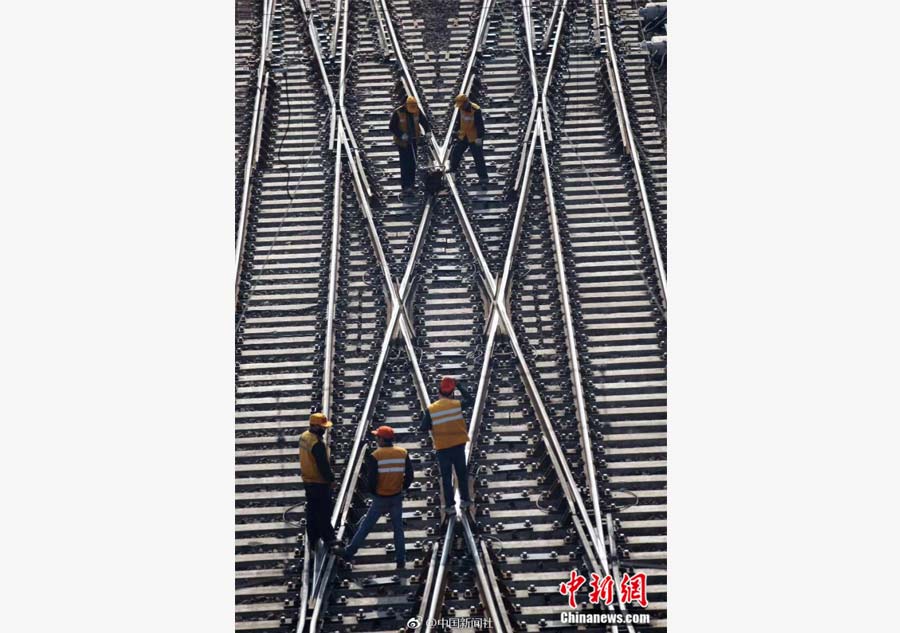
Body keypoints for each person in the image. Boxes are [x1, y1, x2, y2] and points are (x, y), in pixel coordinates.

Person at [339, 426, 414, 569]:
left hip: (381, 498)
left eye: (377, 437)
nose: (376, 439)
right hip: (396, 497)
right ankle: (401, 559)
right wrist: (402, 487)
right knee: (398, 529)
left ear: (382, 439)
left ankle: (349, 553)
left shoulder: (376, 456)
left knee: (366, 526)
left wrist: (374, 493)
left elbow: (372, 480)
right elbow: (410, 476)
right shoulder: (402, 453)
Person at [421, 376, 473, 513]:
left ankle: (449, 505)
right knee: (461, 474)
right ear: (452, 393)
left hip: (443, 448)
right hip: (458, 445)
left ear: (439, 392)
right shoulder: (456, 405)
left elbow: (423, 427)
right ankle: (465, 499)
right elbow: (470, 400)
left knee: (446, 477)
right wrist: (459, 385)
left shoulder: (431, 409)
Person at [298, 412, 337, 550]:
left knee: (312, 511)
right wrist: (331, 480)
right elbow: (323, 465)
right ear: (314, 426)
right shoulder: (317, 443)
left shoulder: (304, 437)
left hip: (307, 480)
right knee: (324, 511)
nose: (324, 429)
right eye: (322, 427)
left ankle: (313, 537)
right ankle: (329, 538)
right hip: (319, 482)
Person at [389, 96, 432, 194]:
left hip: (413, 140)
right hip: (403, 143)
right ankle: (405, 186)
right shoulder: (398, 112)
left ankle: (411, 184)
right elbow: (392, 127)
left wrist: (428, 131)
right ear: (405, 105)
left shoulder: (416, 110)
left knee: (412, 163)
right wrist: (401, 135)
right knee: (405, 164)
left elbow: (424, 122)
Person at [448, 94, 488, 188]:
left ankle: (483, 178)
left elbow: (480, 125)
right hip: (463, 135)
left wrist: (480, 137)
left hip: (474, 137)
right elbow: (459, 121)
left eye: (461, 105)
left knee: (478, 158)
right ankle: (452, 169)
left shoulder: (475, 109)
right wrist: (456, 131)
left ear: (466, 102)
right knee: (456, 152)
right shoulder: (460, 108)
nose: (460, 107)